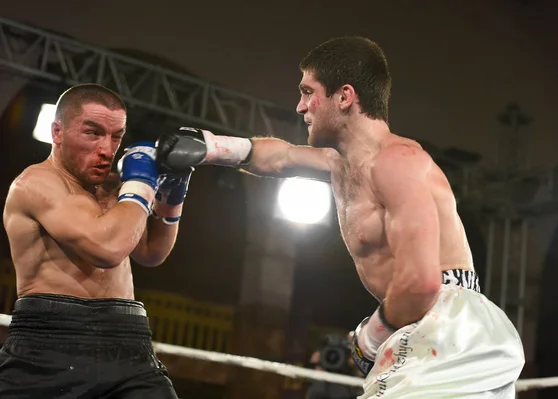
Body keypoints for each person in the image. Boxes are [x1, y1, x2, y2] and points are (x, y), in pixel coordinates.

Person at [155, 36, 526, 398]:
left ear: (345, 96)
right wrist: (210, 147)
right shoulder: (341, 164)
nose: (300, 106)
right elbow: (280, 157)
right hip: (423, 322)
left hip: (450, 321)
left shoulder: (399, 162)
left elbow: (421, 284)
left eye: (307, 91)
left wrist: (370, 337)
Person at [0, 83, 192, 398]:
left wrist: (172, 198)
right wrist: (143, 183)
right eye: (93, 133)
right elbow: (107, 250)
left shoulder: (117, 187)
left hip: (130, 343)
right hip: (49, 346)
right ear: (57, 132)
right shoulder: (36, 184)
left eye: (116, 136)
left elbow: (150, 252)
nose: (107, 149)